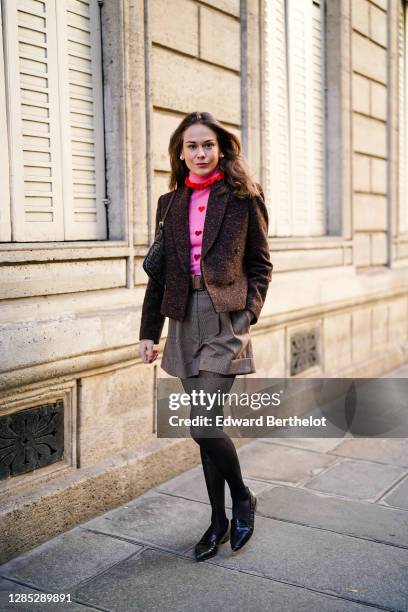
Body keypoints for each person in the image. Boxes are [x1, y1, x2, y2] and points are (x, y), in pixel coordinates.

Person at [139, 111, 273, 561]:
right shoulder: (169, 203)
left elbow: (261, 265)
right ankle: (217, 519)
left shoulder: (243, 198)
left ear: (221, 150)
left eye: (208, 145)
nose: (200, 153)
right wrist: (148, 333)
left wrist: (247, 313)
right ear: (180, 152)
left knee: (202, 423)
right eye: (192, 145)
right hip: (180, 320)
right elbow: (158, 276)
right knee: (205, 427)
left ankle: (242, 498)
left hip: (224, 320)